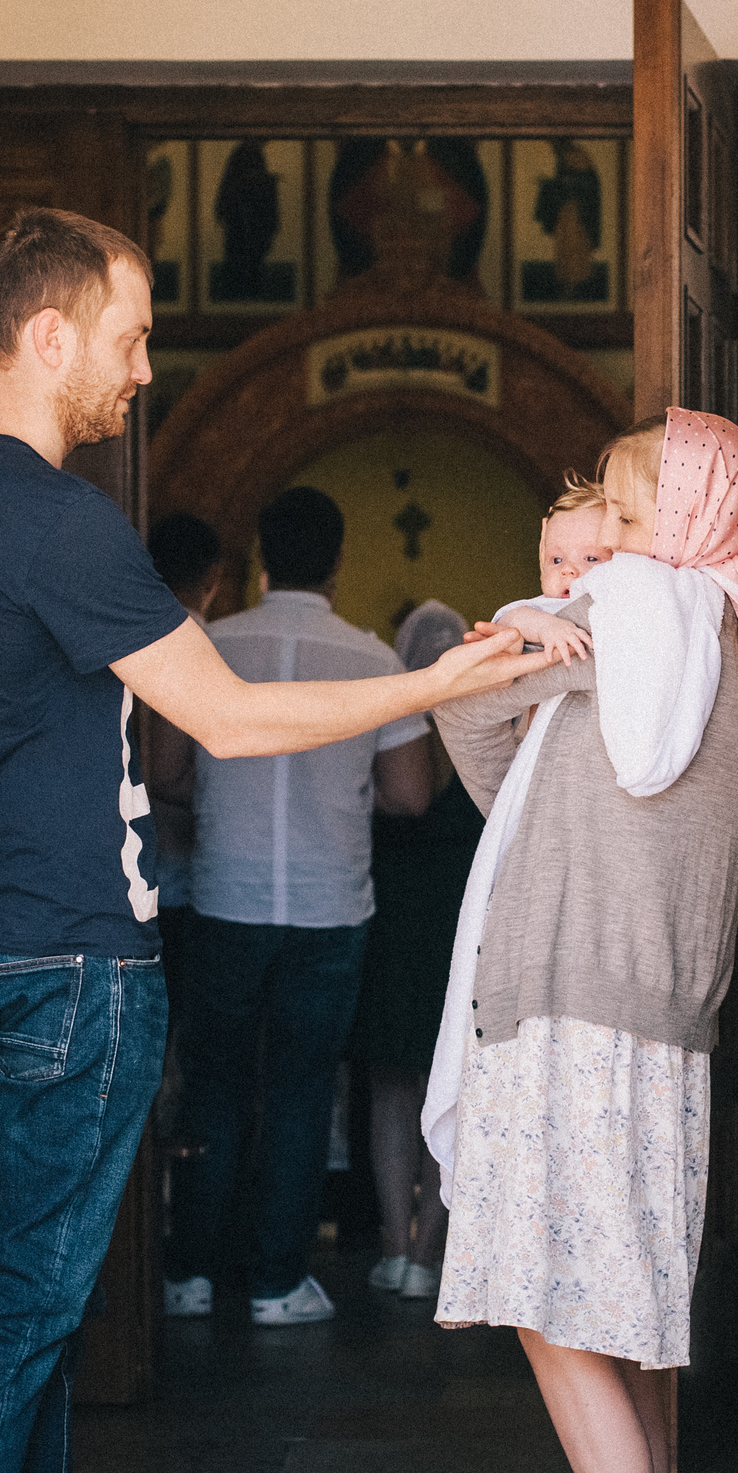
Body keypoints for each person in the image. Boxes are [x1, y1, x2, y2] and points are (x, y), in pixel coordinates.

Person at [0, 206, 557, 1473]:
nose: (143, 370)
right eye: (129, 340)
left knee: (35, 1313)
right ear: (47, 334)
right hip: (70, 953)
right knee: (24, 1310)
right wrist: (439, 684)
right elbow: (230, 722)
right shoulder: (51, 516)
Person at [427, 409, 738, 1473]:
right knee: (612, 1312)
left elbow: (469, 700)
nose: (618, 546)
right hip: (664, 1013)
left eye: (634, 517)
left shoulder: (638, 615)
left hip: (563, 997)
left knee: (542, 1303)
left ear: (692, 519)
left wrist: (518, 627)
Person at [163, 486, 436, 1328]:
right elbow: (412, 795)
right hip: (327, 909)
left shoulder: (208, 646)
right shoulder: (376, 661)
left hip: (224, 899)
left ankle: (190, 1274)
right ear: (340, 560)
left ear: (259, 556)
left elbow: (166, 772)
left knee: (210, 1085)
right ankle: (278, 1281)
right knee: (301, 1092)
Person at [354, 600, 484, 1300]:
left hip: (390, 931)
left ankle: (392, 1246)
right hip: (458, 934)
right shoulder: (485, 732)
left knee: (391, 1095)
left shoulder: (389, 728)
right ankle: (430, 1252)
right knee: (451, 1092)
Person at [142, 512, 223, 915]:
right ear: (212, 576)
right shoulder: (203, 646)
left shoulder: (126, 636)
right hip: (179, 858)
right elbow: (167, 772)